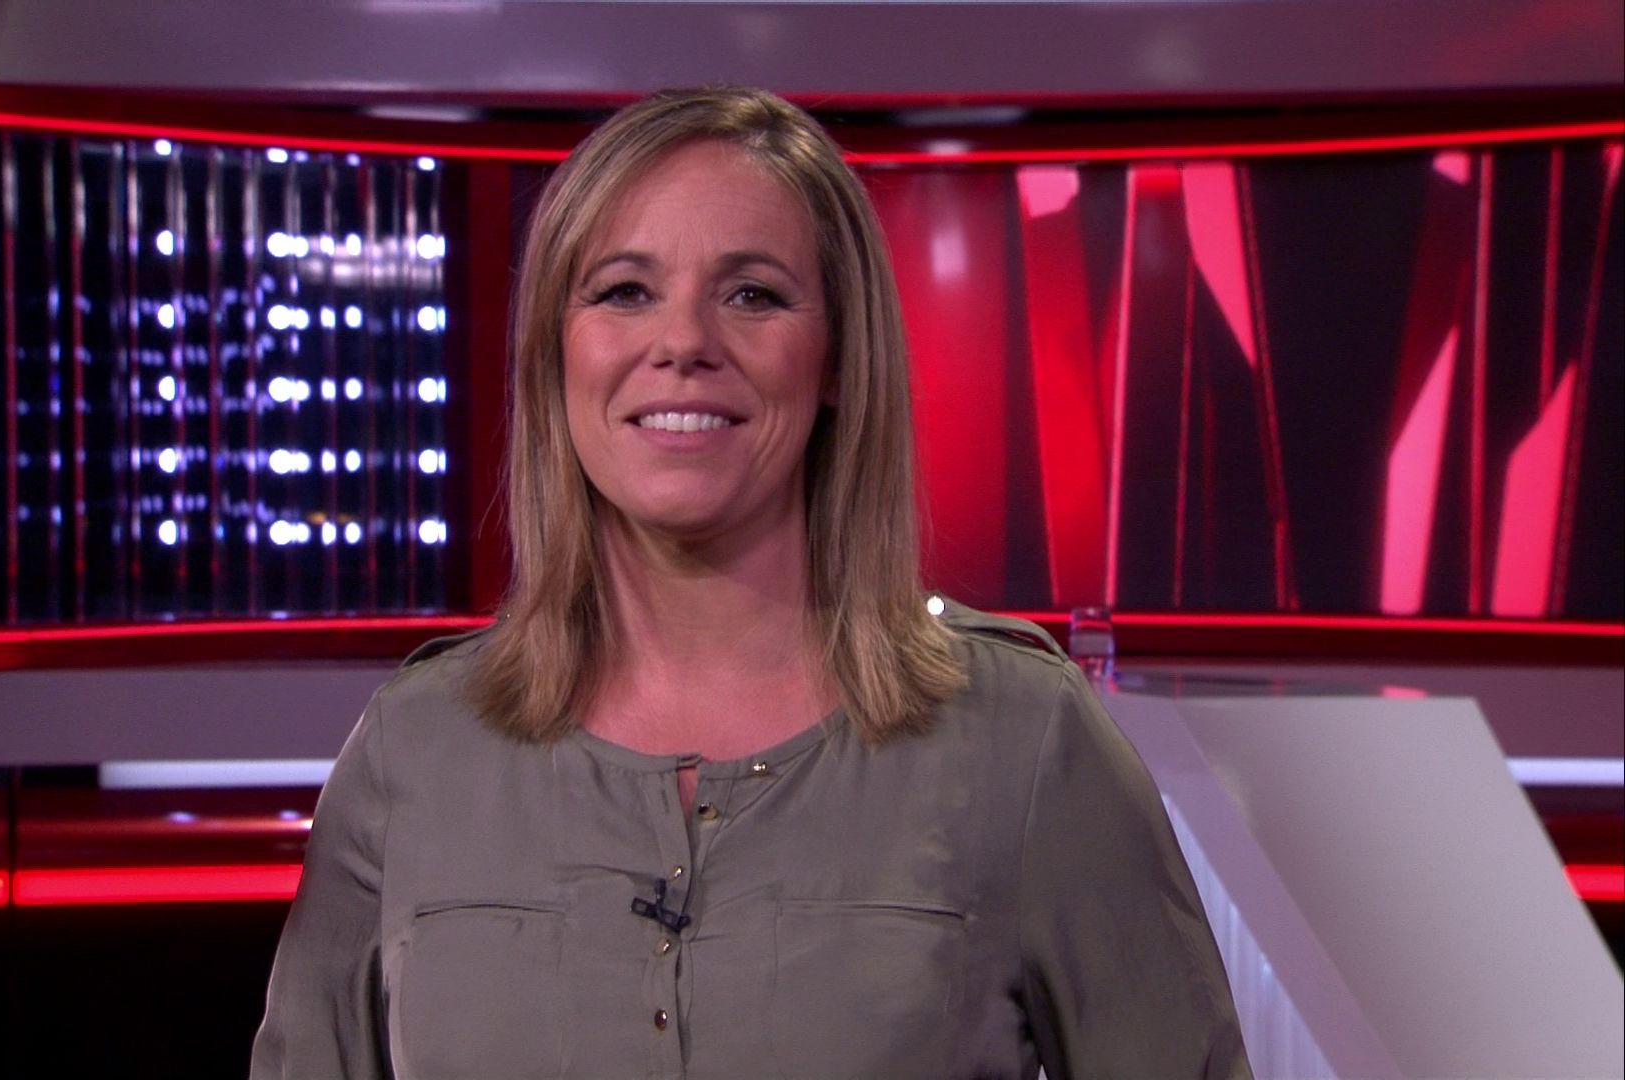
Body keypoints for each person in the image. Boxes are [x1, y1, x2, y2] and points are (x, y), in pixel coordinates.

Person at [251, 86, 1251, 1079]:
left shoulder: (1023, 741)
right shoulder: (415, 752)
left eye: (753, 295)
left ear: (837, 359)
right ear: (555, 352)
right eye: (624, 291)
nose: (684, 344)